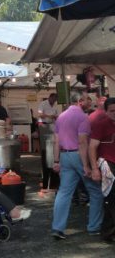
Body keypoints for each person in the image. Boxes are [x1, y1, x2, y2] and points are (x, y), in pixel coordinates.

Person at [51, 92, 103, 239]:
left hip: (64, 155)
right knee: (95, 191)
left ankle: (57, 228)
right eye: (87, 99)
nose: (90, 102)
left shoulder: (61, 116)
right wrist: (87, 165)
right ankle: (94, 227)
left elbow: (56, 141)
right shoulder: (82, 117)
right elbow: (82, 142)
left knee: (64, 193)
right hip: (78, 155)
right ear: (80, 101)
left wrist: (56, 161)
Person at [89, 97, 115, 241]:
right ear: (105, 111)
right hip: (107, 164)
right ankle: (108, 233)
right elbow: (92, 147)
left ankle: (108, 233)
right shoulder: (101, 124)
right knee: (112, 198)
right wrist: (94, 169)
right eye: (112, 111)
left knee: (112, 201)